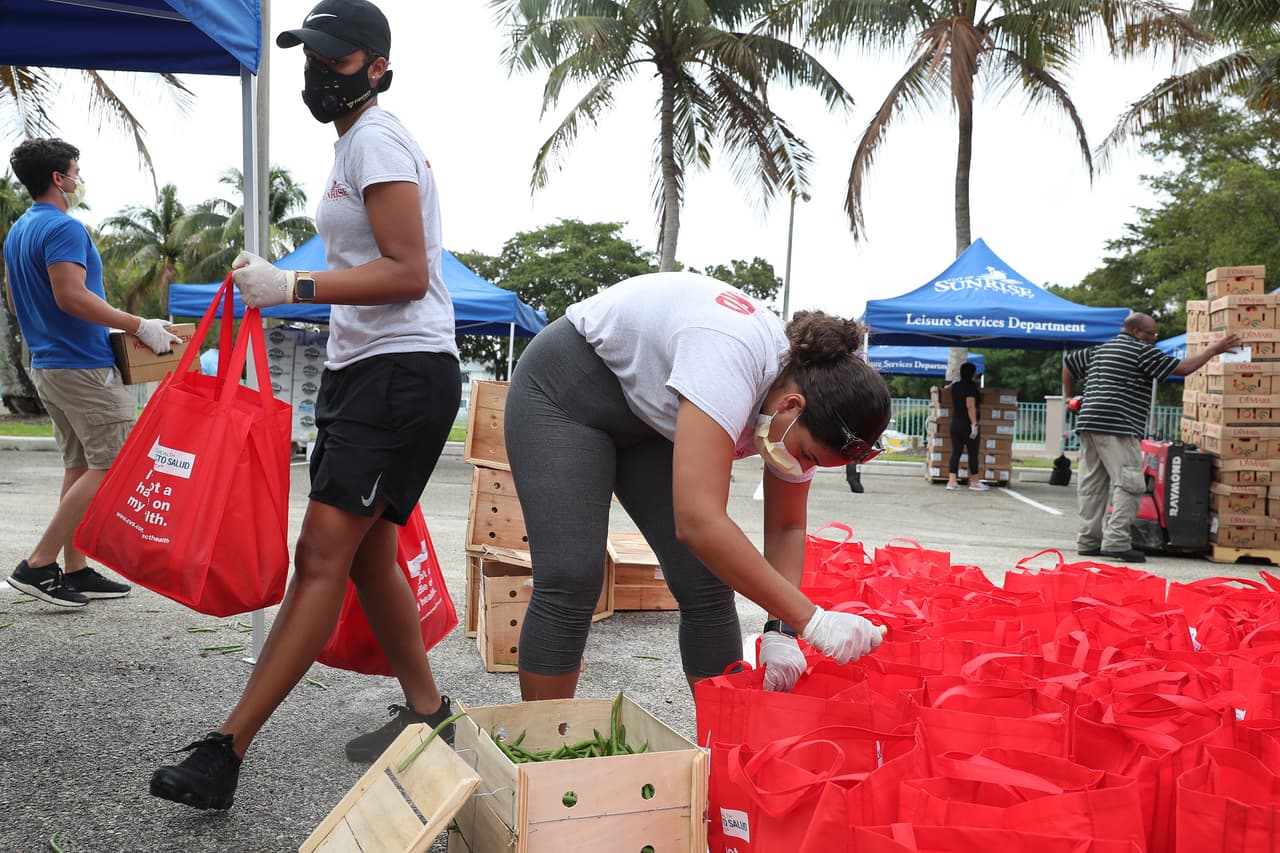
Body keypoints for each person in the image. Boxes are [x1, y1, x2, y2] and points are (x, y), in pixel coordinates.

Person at [149, 0, 461, 811]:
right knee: (367, 555)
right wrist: (292, 289)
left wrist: (293, 284)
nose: (319, 72)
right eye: (310, 56)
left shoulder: (377, 138)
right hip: (370, 370)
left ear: (377, 67)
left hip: (399, 372)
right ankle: (429, 711)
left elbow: (409, 272)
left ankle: (225, 750)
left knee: (321, 554)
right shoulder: (352, 145)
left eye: (336, 58)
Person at [505, 272, 891, 701]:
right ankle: (545, 736)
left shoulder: (803, 405)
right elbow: (698, 521)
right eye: (808, 456)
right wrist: (812, 620)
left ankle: (723, 734)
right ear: (791, 405)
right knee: (572, 576)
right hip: (565, 393)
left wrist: (782, 630)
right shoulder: (728, 356)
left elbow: (787, 526)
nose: (800, 469)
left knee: (706, 582)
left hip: (648, 419)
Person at [3, 138, 179, 608]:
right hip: (83, 366)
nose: (79, 179)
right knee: (115, 463)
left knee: (79, 466)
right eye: (76, 171)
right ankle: (38, 564)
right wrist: (138, 324)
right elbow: (72, 296)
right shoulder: (63, 227)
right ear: (58, 178)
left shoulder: (19, 231)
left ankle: (75, 568)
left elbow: (17, 303)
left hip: (50, 365)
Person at [1063, 312, 1239, 563]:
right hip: (1119, 424)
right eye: (1151, 334)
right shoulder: (1142, 351)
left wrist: (1069, 397)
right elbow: (1184, 368)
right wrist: (1214, 350)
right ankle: (1116, 542)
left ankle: (1088, 541)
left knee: (1093, 484)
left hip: (1089, 423)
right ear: (1136, 332)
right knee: (1131, 483)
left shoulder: (1099, 350)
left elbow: (1068, 365)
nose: (1154, 339)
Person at [945, 362, 987, 491]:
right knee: (973, 453)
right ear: (972, 374)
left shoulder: (955, 386)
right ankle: (974, 481)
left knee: (956, 452)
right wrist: (974, 424)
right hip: (967, 424)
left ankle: (952, 481)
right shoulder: (970, 387)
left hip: (955, 423)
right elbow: (970, 406)